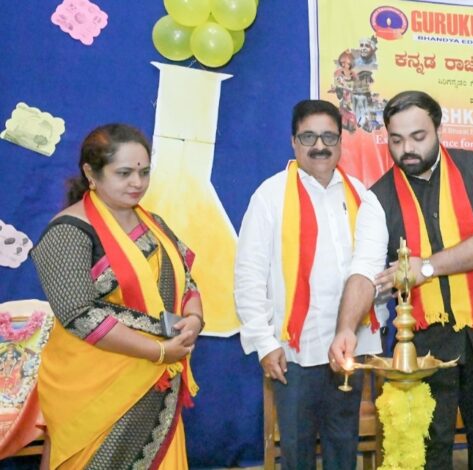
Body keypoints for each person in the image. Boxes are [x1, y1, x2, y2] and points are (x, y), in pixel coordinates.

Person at [329, 90, 473, 470]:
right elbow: (364, 270)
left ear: (438, 129)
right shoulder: (378, 198)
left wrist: (426, 268)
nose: (407, 149)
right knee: (431, 449)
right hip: (424, 344)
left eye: (418, 137)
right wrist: (345, 328)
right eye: (397, 140)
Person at [31, 124, 203, 469]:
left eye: (144, 172)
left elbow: (186, 281)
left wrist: (194, 320)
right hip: (93, 387)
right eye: (124, 173)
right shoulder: (67, 232)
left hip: (156, 379)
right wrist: (158, 352)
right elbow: (79, 315)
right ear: (91, 173)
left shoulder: (154, 224)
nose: (137, 183)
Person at [234, 99, 383, 470]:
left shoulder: (363, 197)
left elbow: (369, 271)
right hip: (294, 351)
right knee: (297, 450)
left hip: (349, 346)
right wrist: (264, 343)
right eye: (309, 137)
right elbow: (249, 275)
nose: (320, 146)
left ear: (341, 141)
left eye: (329, 137)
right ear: (293, 141)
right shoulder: (269, 197)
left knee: (343, 444)